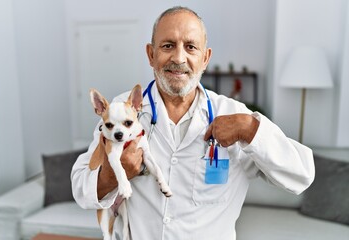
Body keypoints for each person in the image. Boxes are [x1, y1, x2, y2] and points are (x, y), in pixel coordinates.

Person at [71, 6, 315, 240]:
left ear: (205, 58)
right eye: (168, 45)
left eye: (190, 47)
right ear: (151, 54)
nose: (179, 57)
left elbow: (302, 176)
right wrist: (114, 174)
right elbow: (81, 189)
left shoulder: (231, 112)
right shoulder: (120, 112)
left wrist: (250, 129)